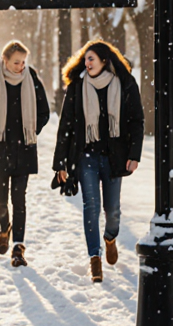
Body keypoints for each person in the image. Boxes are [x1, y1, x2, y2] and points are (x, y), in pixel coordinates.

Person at [53, 40, 144, 283]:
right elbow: (66, 126)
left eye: (91, 58)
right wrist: (60, 163)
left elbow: (137, 120)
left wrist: (134, 155)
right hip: (86, 157)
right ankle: (95, 258)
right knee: (90, 207)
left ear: (105, 60)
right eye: (85, 59)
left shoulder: (124, 84)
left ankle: (110, 237)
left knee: (112, 210)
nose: (87, 63)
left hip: (115, 158)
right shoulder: (77, 87)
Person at [0, 40, 50, 268]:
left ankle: (18, 248)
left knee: (19, 199)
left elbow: (44, 110)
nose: (20, 66)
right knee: (0, 202)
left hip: (24, 148)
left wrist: (32, 130)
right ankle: (5, 227)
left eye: (23, 62)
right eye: (16, 62)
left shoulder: (31, 78)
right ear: (5, 60)